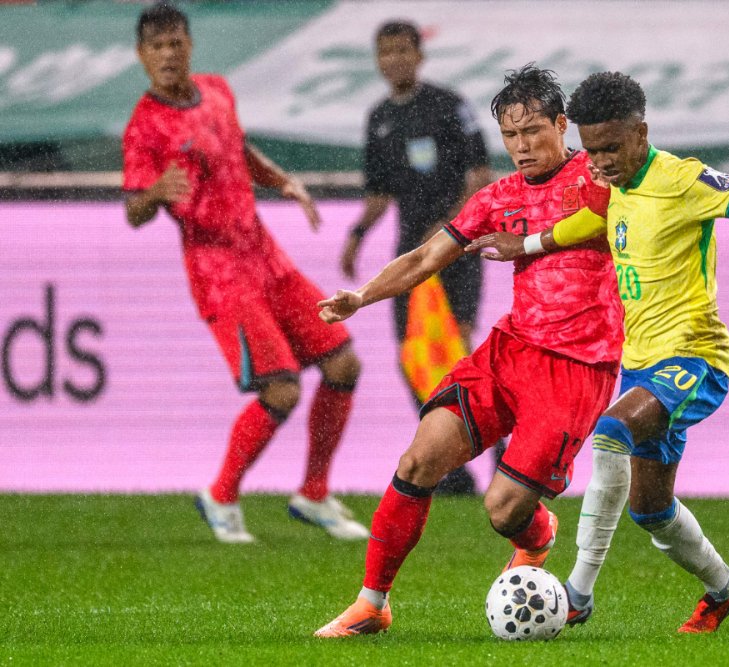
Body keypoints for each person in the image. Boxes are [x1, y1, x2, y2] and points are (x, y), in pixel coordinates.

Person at [466, 71, 729, 633]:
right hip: (641, 365)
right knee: (650, 510)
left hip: (694, 359)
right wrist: (530, 244)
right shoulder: (612, 185)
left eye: (613, 148)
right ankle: (726, 588)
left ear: (641, 132)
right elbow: (591, 220)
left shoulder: (681, 180)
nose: (602, 161)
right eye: (592, 150)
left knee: (612, 431)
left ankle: (578, 594)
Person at [312, 65, 624, 638]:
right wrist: (361, 296)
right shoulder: (495, 198)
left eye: (534, 130)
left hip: (578, 367)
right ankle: (372, 602)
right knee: (418, 460)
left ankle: (537, 533)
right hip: (509, 352)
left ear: (562, 125)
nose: (523, 146)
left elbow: (612, 219)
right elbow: (424, 259)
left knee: (503, 510)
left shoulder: (600, 177)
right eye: (511, 135)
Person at [122, 3, 368, 544]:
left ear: (189, 45)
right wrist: (154, 193)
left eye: (175, 42)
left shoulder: (216, 90)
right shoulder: (144, 128)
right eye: (156, 46)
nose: (168, 53)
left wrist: (282, 182)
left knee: (344, 364)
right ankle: (222, 495)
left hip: (268, 258)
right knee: (281, 391)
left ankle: (315, 493)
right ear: (141, 56)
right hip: (220, 274)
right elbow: (133, 210)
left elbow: (236, 146)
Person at [340, 20, 494, 495]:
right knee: (413, 356)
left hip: (457, 247)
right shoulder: (380, 117)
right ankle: (453, 467)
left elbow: (479, 175)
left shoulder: (448, 107)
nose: (394, 60)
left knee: (458, 350)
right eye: (385, 52)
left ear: (419, 54)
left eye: (402, 50)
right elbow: (379, 192)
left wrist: (449, 229)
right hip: (410, 256)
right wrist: (357, 236)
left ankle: (503, 451)